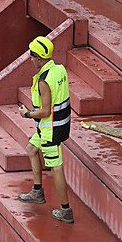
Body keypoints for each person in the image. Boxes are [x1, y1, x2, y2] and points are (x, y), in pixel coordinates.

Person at [17, 36, 73, 223]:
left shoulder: (43, 80)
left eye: (32, 56)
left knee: (56, 168)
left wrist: (26, 114)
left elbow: (45, 111)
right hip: (56, 125)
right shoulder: (59, 69)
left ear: (39, 58)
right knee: (31, 149)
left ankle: (66, 211)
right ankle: (37, 191)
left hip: (50, 131)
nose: (30, 59)